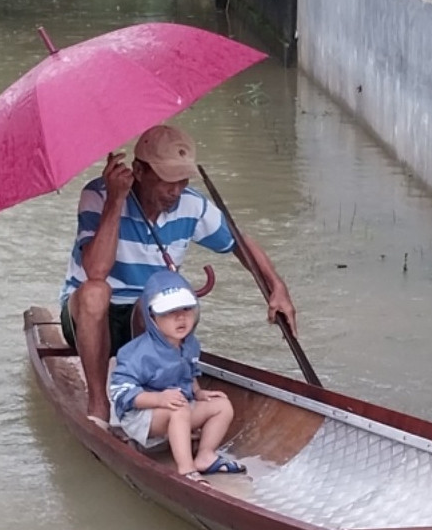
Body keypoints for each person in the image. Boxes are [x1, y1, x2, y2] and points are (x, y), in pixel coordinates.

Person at [61, 122, 297, 421]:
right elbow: (96, 270)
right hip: (89, 318)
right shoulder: (98, 194)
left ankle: (151, 408)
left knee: (157, 299)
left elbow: (239, 242)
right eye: (166, 181)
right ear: (139, 171)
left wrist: (277, 287)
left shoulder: (191, 204)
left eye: (182, 180)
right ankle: (98, 404)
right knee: (96, 292)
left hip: (147, 316)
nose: (175, 191)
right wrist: (116, 201)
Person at [107, 269, 243, 480]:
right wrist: (159, 399)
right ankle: (186, 468)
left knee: (222, 405)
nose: (180, 318)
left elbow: (190, 372)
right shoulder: (137, 353)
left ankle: (205, 456)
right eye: (169, 312)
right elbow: (121, 393)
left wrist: (198, 393)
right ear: (152, 317)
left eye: (186, 309)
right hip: (144, 416)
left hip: (179, 406)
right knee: (178, 409)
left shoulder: (190, 345)